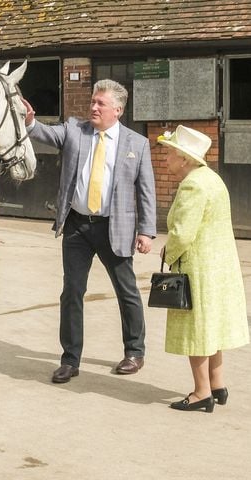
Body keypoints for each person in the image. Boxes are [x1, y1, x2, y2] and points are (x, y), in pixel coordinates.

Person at [24, 79, 156, 383]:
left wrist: (147, 231)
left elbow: (146, 190)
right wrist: (30, 121)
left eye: (101, 103)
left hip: (116, 227)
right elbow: (46, 133)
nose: (93, 107)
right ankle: (70, 359)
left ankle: (134, 352)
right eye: (93, 102)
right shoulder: (75, 130)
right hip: (77, 227)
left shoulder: (137, 143)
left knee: (127, 291)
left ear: (118, 110)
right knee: (72, 292)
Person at [157, 125, 250, 412]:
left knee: (196, 329)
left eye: (170, 153)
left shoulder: (192, 185)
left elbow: (184, 233)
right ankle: (217, 385)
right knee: (212, 327)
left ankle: (201, 393)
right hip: (219, 266)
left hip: (198, 267)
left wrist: (168, 250)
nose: (166, 159)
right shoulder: (212, 179)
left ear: (184, 158)